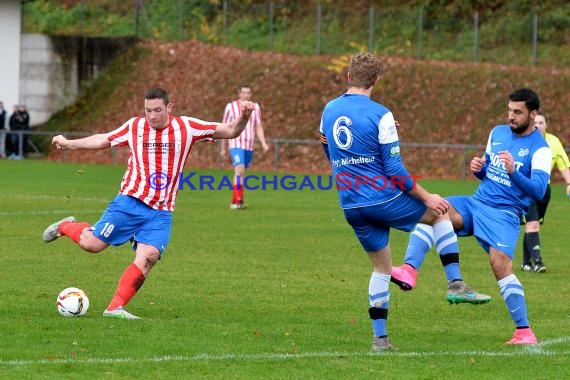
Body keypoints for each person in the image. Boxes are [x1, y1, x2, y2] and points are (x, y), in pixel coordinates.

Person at [319, 52, 487, 352]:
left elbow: (328, 148)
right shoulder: (380, 113)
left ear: (348, 77)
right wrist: (428, 197)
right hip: (381, 197)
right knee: (440, 212)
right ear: (377, 80)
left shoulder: (329, 109)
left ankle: (380, 340)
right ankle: (456, 284)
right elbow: (395, 171)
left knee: (382, 269)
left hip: (350, 204)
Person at [42, 87, 255, 320]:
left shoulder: (187, 127)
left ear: (169, 107)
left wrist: (244, 117)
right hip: (130, 203)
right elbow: (104, 139)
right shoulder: (135, 127)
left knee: (150, 256)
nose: (151, 116)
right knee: (92, 244)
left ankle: (114, 308)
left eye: (157, 110)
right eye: (147, 111)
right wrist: (69, 143)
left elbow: (231, 130)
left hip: (161, 211)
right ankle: (65, 226)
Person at [392, 88, 551, 345]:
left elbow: (539, 191)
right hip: (477, 202)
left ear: (533, 114)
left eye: (518, 112)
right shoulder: (497, 133)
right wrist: (480, 169)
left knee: (500, 266)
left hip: (505, 213)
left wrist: (513, 172)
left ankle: (524, 332)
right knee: (436, 210)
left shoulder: (541, 149)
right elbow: (488, 171)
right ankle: (409, 270)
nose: (511, 116)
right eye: (510, 110)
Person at [521, 112, 570, 273]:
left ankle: (525, 262)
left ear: (546, 125)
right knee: (533, 224)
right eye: (535, 122)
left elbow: (563, 165)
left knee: (532, 226)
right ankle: (538, 262)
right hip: (527, 189)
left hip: (544, 191)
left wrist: (569, 183)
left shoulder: (554, 143)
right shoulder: (524, 140)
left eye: (541, 122)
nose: (537, 125)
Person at [220, 84, 269, 210]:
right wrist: (223, 148)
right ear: (239, 94)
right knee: (239, 170)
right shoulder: (230, 107)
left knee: (241, 173)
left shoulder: (255, 107)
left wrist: (263, 143)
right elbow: (225, 126)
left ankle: (235, 200)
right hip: (235, 143)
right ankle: (238, 201)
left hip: (249, 145)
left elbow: (258, 125)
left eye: (248, 92)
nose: (246, 95)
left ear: (250, 94)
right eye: (244, 92)